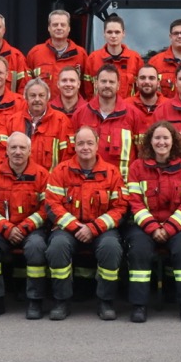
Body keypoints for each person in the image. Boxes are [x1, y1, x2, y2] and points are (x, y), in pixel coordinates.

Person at [45, 126, 128, 321]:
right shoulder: (61, 171)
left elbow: (121, 208)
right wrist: (75, 227)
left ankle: (106, 301)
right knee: (57, 246)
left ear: (98, 145)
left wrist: (93, 228)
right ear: (74, 145)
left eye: (89, 143)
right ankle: (61, 300)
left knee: (111, 247)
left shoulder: (111, 173)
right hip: (68, 229)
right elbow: (52, 205)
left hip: (101, 230)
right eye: (80, 143)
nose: (85, 147)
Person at [124, 120, 181, 322]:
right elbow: (135, 202)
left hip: (176, 226)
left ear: (173, 141)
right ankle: (139, 305)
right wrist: (152, 227)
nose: (161, 142)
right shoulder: (137, 167)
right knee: (139, 250)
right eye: (157, 138)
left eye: (165, 138)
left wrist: (168, 228)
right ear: (150, 142)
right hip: (143, 226)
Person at [0, 132, 50, 319]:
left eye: (22, 148)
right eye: (13, 148)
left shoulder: (42, 175)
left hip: (32, 230)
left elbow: (46, 208)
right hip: (2, 230)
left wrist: (25, 227)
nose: (18, 152)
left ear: (30, 151)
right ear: (7, 151)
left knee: (36, 247)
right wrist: (6, 228)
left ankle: (35, 300)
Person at [72, 65, 148, 178]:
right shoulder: (80, 114)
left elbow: (144, 155)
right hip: (88, 184)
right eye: (103, 81)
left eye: (111, 82)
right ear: (96, 83)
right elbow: (71, 154)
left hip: (122, 185)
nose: (107, 85)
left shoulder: (134, 115)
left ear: (118, 86)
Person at [5, 78, 74, 171]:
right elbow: (5, 154)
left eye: (41, 95)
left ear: (48, 98)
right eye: (33, 95)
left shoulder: (61, 121)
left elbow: (67, 157)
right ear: (25, 97)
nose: (37, 99)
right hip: (20, 182)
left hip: (50, 182)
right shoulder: (13, 121)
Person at [27, 9, 88, 92]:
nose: (59, 28)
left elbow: (86, 88)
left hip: (72, 104)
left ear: (69, 28)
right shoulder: (35, 53)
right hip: (44, 104)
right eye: (55, 25)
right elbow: (27, 85)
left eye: (63, 25)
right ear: (49, 28)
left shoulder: (81, 54)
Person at [83, 14, 143, 98]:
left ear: (123, 33)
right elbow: (88, 92)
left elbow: (140, 90)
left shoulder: (135, 59)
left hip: (127, 109)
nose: (113, 36)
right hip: (100, 109)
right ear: (104, 34)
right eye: (109, 32)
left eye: (117, 32)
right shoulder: (93, 59)